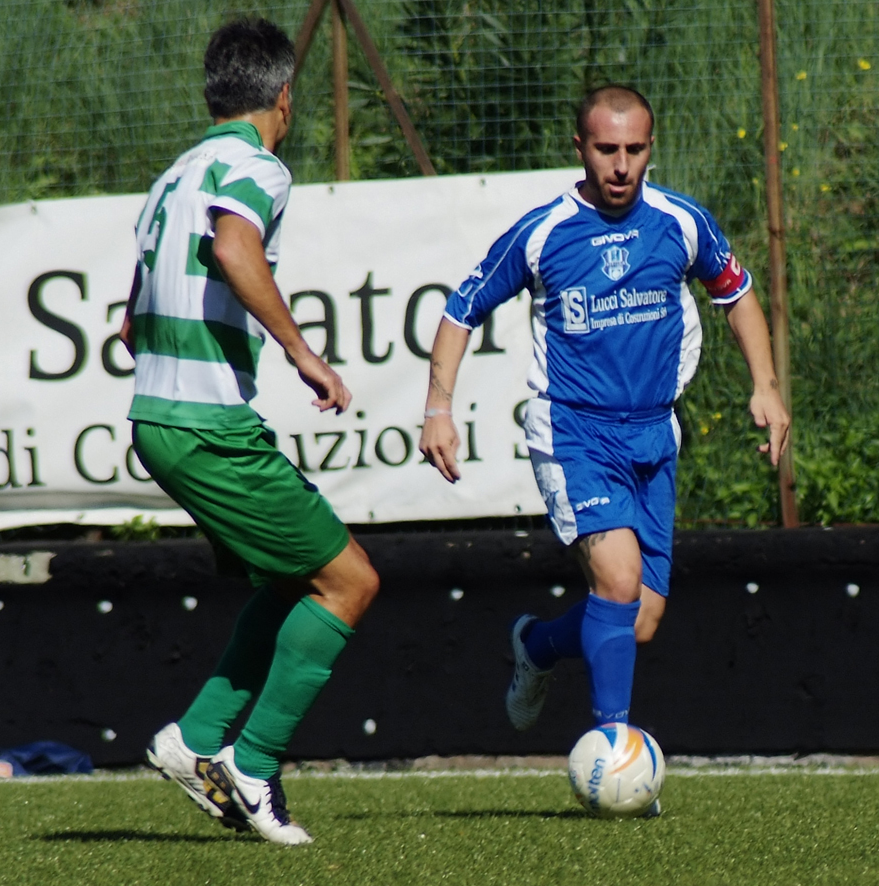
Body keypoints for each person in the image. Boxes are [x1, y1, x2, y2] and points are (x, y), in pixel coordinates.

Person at [419, 85, 790, 747]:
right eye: (605, 149)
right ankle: (612, 750)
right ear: (579, 149)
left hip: (653, 430)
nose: (620, 165)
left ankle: (536, 645)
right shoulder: (543, 233)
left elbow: (737, 295)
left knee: (639, 618)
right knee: (617, 580)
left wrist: (764, 384)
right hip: (573, 433)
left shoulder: (679, 222)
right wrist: (437, 409)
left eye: (634, 149)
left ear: (651, 148)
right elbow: (460, 309)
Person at [121, 17, 379, 846]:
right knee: (349, 584)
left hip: (156, 420)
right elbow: (236, 249)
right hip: (205, 426)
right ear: (284, 96)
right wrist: (302, 353)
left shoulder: (174, 176)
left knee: (285, 583)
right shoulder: (255, 166)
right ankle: (252, 765)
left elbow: (130, 324)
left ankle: (193, 740)